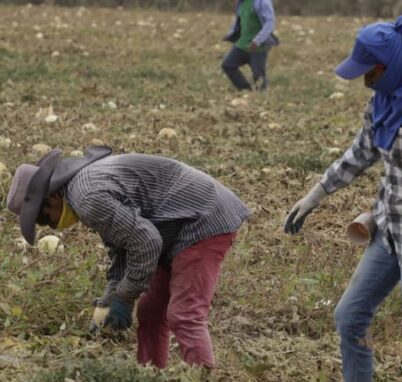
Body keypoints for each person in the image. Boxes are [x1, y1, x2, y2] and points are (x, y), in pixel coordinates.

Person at [283, 16, 402, 382]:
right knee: (349, 316)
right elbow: (359, 154)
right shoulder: (384, 100)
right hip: (389, 227)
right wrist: (316, 193)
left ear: (394, 64)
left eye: (370, 70)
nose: (364, 78)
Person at [6, 147, 251, 368]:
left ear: (52, 197)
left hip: (203, 219)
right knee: (150, 312)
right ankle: (150, 377)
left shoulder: (87, 198)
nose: (48, 226)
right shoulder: (82, 190)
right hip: (176, 226)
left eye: (42, 218)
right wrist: (109, 299)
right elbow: (122, 247)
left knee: (184, 314)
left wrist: (124, 296)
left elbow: (146, 242)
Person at [221, 0, 278, 91]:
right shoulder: (241, 3)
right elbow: (240, 21)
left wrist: (258, 40)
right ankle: (245, 90)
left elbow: (270, 22)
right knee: (228, 65)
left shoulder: (262, 2)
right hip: (242, 44)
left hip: (258, 47)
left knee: (258, 76)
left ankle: (262, 96)